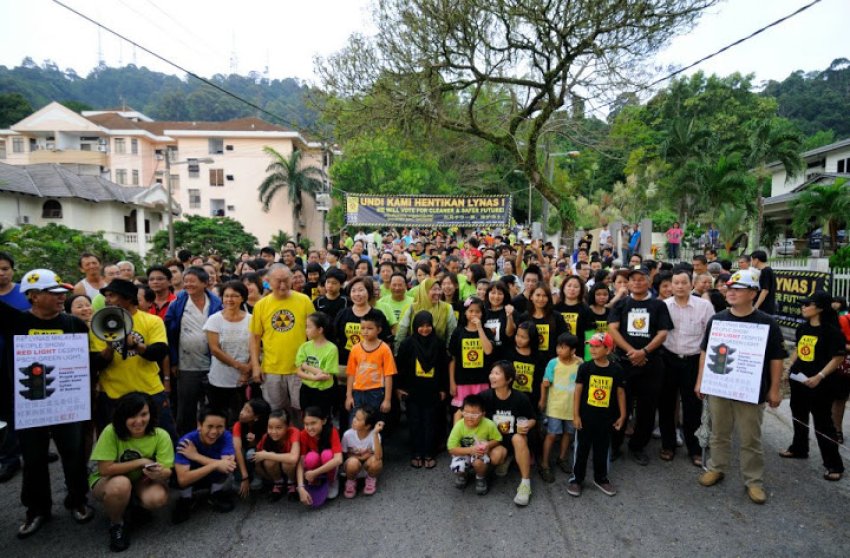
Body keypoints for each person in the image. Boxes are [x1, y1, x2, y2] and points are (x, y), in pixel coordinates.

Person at [0, 269, 96, 538]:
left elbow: (86, 364)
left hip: (68, 405)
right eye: (53, 293)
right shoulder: (15, 323)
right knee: (33, 459)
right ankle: (37, 510)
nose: (61, 296)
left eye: (62, 292)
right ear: (32, 296)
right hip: (30, 406)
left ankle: (77, 500)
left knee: (74, 455)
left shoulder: (73, 324)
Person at [695, 269, 786, 505]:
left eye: (737, 289)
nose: (730, 292)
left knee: (750, 438)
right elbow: (705, 352)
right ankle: (717, 467)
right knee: (719, 432)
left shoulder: (767, 323)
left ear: (753, 293)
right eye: (729, 288)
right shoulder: (718, 319)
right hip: (719, 387)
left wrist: (775, 389)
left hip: (751, 390)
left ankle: (753, 481)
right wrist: (701, 380)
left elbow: (777, 359)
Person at [88, 392, 174, 552]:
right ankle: (116, 523)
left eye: (144, 414)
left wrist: (160, 473)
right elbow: (105, 469)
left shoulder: (160, 435)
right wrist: (142, 462)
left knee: (157, 498)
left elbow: (167, 470)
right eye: (132, 416)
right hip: (108, 481)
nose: (139, 421)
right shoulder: (111, 431)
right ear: (122, 416)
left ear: (151, 413)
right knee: (121, 485)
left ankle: (132, 505)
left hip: (142, 480)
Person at [93, 279, 175, 438]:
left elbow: (159, 352)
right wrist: (110, 347)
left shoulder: (152, 321)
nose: (107, 300)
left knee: (164, 437)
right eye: (106, 296)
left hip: (149, 391)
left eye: (112, 295)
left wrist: (137, 346)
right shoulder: (99, 323)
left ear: (128, 298)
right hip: (114, 394)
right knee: (116, 441)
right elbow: (97, 363)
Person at [607, 266, 672, 465]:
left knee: (647, 408)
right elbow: (612, 328)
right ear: (628, 283)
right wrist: (631, 352)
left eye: (641, 279)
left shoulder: (658, 305)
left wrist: (643, 352)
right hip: (624, 364)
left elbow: (663, 333)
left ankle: (638, 446)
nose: (636, 282)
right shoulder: (622, 304)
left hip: (650, 363)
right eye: (632, 279)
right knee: (619, 406)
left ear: (649, 282)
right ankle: (615, 445)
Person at [780, 291, 844, 481]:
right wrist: (788, 369)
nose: (803, 307)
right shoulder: (803, 328)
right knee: (798, 416)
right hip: (799, 381)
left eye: (808, 304)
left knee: (823, 423)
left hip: (821, 384)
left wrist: (820, 376)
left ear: (820, 308)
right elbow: (799, 350)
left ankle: (834, 464)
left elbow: (838, 357)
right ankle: (799, 448)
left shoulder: (831, 331)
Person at [660, 269, 715, 466]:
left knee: (693, 406)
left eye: (684, 282)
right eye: (676, 283)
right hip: (668, 359)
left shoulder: (704, 307)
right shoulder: (663, 306)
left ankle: (694, 448)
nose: (680, 286)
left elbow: (711, 338)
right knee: (666, 404)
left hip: (693, 361)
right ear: (671, 285)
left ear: (691, 284)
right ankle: (668, 445)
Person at [250, 265, 316, 416]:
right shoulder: (261, 305)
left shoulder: (304, 301)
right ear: (268, 282)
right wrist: (255, 366)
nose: (283, 285)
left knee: (301, 411)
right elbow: (254, 339)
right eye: (278, 281)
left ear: (292, 279)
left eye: (286, 280)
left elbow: (314, 335)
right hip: (271, 369)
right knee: (276, 413)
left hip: (301, 369)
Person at [568, 332, 626, 497]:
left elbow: (620, 393)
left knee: (603, 449)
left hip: (606, 419)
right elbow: (578, 391)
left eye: (597, 346)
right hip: (586, 418)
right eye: (591, 346)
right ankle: (576, 479)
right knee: (581, 450)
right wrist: (576, 415)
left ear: (608, 350)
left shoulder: (616, 369)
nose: (592, 349)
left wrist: (622, 415)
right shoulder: (585, 368)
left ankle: (601, 478)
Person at [165, 267, 222, 434]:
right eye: (186, 281)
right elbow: (170, 332)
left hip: (213, 364)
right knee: (186, 408)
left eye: (193, 281)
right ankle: (184, 442)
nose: (188, 284)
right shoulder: (178, 303)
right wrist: (174, 361)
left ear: (205, 283)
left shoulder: (216, 303)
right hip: (186, 365)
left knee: (212, 407)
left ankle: (211, 439)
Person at [396, 310, 449, 469]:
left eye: (428, 326)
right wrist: (399, 388)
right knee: (415, 422)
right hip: (413, 391)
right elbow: (400, 367)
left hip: (432, 391)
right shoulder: (408, 344)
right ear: (415, 326)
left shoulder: (438, 343)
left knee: (430, 422)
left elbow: (443, 368)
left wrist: (443, 388)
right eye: (421, 326)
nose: (425, 329)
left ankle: (429, 453)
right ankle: (416, 453)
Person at [480, 361, 537, 506]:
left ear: (509, 379)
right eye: (491, 373)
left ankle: (525, 484)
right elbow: (463, 411)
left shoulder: (520, 398)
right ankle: (507, 457)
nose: (492, 376)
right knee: (495, 458)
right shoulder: (485, 396)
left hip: (516, 439)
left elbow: (533, 419)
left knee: (518, 438)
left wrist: (527, 425)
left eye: (497, 373)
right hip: (496, 442)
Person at [172, 407, 237, 524]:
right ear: (199, 425)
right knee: (176, 474)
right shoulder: (186, 442)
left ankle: (215, 494)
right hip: (191, 478)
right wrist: (215, 464)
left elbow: (227, 465)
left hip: (210, 476)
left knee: (226, 469)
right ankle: (186, 499)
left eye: (219, 427)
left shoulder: (226, 436)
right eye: (210, 426)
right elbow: (182, 480)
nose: (214, 432)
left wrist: (196, 456)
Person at [0, 252, 32, 484]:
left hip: (23, 360)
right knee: (4, 410)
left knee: (26, 404)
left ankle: (29, 447)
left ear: (12, 270)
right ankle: (9, 457)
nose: (1, 273)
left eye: (5, 268)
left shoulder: (24, 293)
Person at [203, 280, 252, 425]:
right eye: (226, 296)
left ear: (242, 298)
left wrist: (247, 370)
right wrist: (239, 366)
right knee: (219, 416)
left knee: (240, 417)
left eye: (235, 296)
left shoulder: (252, 320)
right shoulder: (214, 319)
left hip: (244, 379)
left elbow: (256, 347)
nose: (230, 299)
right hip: (219, 378)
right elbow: (215, 350)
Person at [538, 333, 582, 483]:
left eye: (563, 348)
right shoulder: (553, 363)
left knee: (568, 434)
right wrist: (543, 400)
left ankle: (562, 458)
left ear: (573, 350)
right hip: (555, 407)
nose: (559, 350)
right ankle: (544, 463)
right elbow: (544, 383)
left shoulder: (579, 364)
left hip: (572, 408)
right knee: (551, 434)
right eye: (558, 346)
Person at [447, 394, 504, 495]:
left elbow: (498, 439)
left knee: (478, 463)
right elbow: (451, 448)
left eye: (474, 414)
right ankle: (463, 475)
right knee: (457, 466)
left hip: (480, 453)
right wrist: (470, 450)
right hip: (463, 452)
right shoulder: (459, 426)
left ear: (482, 414)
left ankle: (480, 477)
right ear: (462, 412)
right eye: (466, 413)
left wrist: (488, 444)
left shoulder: (489, 424)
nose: (470, 417)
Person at [344, 310, 397, 420]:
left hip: (376, 392)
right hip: (357, 392)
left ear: (379, 330)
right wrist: (349, 396)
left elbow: (388, 375)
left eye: (370, 328)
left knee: (374, 424)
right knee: (356, 423)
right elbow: (351, 374)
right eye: (363, 328)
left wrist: (387, 399)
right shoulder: (355, 349)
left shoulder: (384, 349)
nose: (365, 331)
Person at [449, 298, 495, 411]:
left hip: (481, 380)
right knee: (461, 412)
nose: (474, 314)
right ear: (465, 312)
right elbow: (452, 359)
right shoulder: (458, 332)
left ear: (482, 314)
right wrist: (452, 382)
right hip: (462, 381)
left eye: (477, 311)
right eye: (471, 311)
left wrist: (479, 328)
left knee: (480, 411)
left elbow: (488, 351)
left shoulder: (487, 331)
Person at [296, 406, 343, 508]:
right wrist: (300, 487)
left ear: (324, 421)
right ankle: (315, 481)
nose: (309, 428)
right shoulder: (303, 434)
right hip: (315, 465)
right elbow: (301, 461)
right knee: (310, 457)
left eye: (313, 423)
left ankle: (332, 481)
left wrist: (314, 472)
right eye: (306, 424)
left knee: (327, 454)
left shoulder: (332, 431)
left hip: (327, 465)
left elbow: (339, 459)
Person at [295, 312, 339, 418]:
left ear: (320, 330)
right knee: (307, 417)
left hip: (323, 393)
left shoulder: (331, 349)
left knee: (321, 418)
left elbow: (326, 375)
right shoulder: (305, 346)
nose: (306, 330)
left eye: (309, 327)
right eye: (306, 327)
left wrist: (306, 366)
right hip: (306, 389)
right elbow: (298, 371)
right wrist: (313, 377)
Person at [253, 409, 301, 501]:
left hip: (292, 469)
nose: (273, 431)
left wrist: (267, 455)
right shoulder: (266, 437)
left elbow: (294, 458)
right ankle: (278, 483)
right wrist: (264, 474)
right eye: (270, 427)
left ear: (287, 426)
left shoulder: (294, 432)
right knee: (268, 462)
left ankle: (292, 483)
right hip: (274, 471)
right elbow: (257, 460)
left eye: (278, 427)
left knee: (287, 462)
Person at [342, 406, 385, 498]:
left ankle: (370, 478)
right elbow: (345, 454)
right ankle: (351, 480)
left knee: (377, 462)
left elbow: (378, 457)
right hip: (352, 467)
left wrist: (376, 433)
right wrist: (361, 457)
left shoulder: (374, 434)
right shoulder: (347, 435)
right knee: (352, 462)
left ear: (367, 426)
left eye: (358, 419)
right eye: (354, 416)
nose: (354, 420)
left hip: (367, 467)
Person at [232, 398, 271, 498]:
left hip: (257, 455)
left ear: (256, 417)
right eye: (243, 408)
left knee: (251, 454)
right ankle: (242, 476)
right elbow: (237, 449)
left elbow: (267, 447)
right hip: (242, 455)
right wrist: (245, 477)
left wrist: (255, 442)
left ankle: (258, 475)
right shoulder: (238, 425)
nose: (241, 412)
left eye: (247, 411)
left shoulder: (266, 427)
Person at [750, 250, 777, 315]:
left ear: (756, 260)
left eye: (751, 260)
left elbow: (765, 290)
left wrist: (756, 306)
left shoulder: (766, 271)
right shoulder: (764, 271)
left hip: (764, 307)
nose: (751, 262)